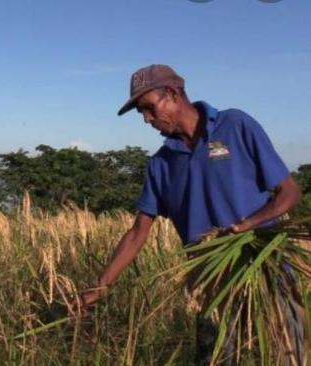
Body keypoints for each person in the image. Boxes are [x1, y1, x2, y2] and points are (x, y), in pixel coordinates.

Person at [79, 65, 303, 364]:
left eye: (148, 108)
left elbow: (289, 192)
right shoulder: (160, 165)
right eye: (141, 114)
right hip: (212, 285)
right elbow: (137, 233)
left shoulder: (235, 126)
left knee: (288, 356)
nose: (147, 119)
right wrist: (99, 287)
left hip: (268, 271)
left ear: (173, 93)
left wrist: (250, 224)